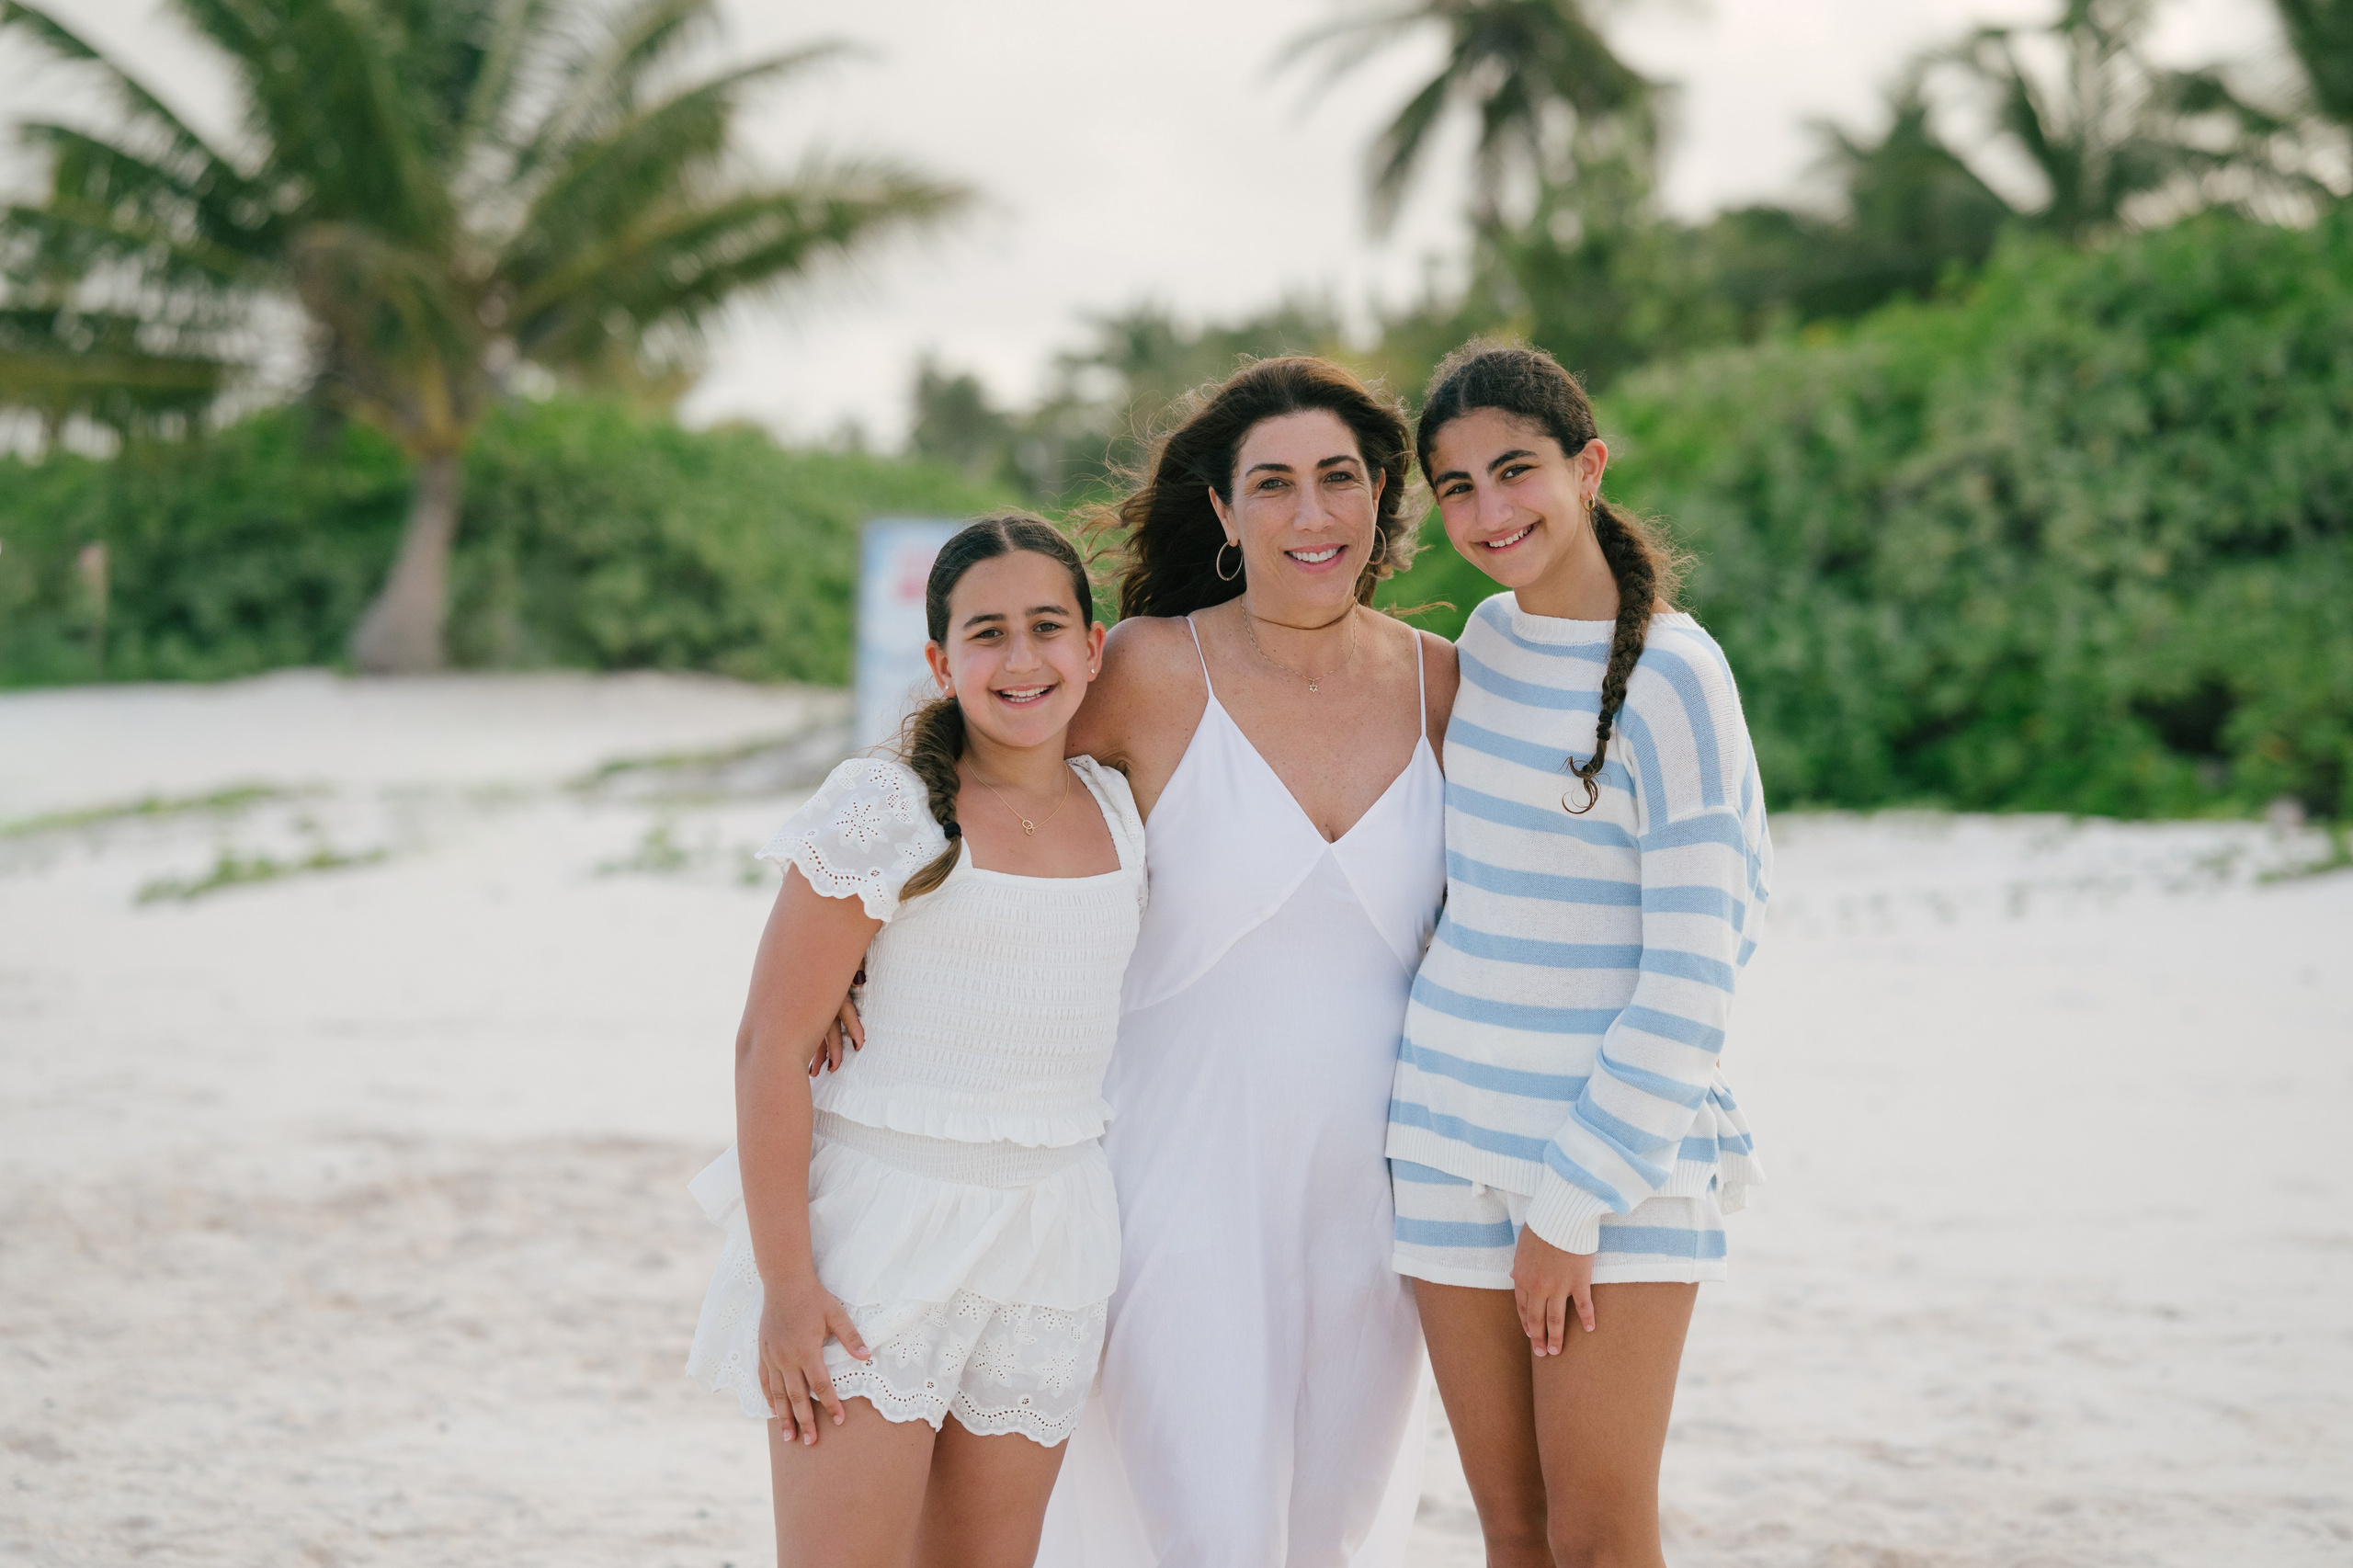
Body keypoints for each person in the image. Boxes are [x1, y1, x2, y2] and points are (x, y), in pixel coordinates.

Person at [1034, 357, 1459, 1567]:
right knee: (1206, 1536)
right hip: (1176, 1185)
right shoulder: (1151, 671)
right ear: (1223, 513)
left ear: (1383, 495)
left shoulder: (1446, 687)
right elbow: (965, 787)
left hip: (1378, 1208)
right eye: (1272, 484)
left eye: (1338, 479)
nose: (1310, 514)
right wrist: (857, 957)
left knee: (1327, 1541)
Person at [684, 515, 1147, 1568]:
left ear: (1093, 647)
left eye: (1046, 627)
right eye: (987, 634)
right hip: (878, 1239)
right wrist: (788, 1289)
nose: (1021, 659)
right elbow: (768, 1047)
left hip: (1053, 1238)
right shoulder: (885, 808)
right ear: (940, 662)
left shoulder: (1123, 806)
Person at [1384, 342, 1772, 1568]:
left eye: (1516, 471)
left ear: (1589, 465)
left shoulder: (1677, 679)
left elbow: (1695, 983)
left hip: (1615, 1174)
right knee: (1514, 1531)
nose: (1490, 512)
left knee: (1601, 1536)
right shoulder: (1485, 646)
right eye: (1456, 487)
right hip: (1445, 1146)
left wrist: (1570, 1203)